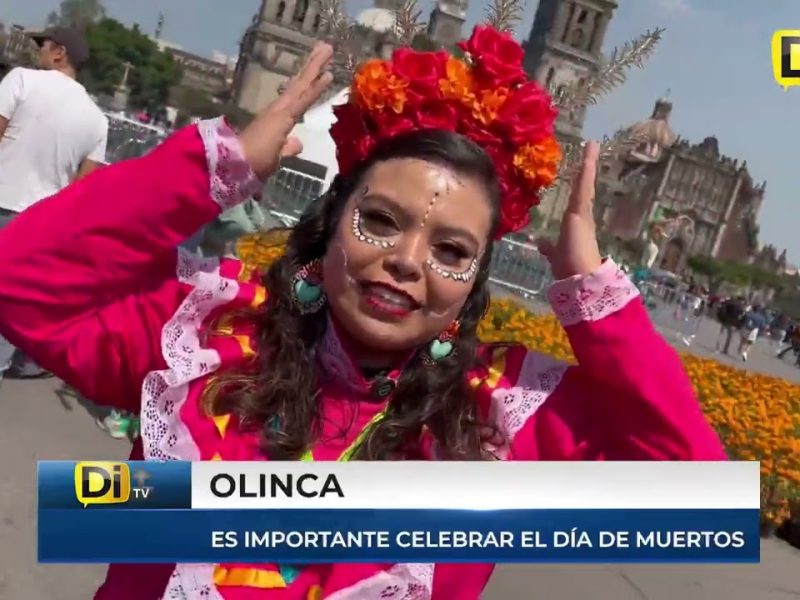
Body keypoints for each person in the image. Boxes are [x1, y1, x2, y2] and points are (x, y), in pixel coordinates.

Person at [0, 32, 725, 599]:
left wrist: (591, 292)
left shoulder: (501, 416)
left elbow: (698, 503)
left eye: (450, 249)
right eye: (380, 220)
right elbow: (19, 280)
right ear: (331, 219)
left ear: (474, 281)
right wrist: (212, 168)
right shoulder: (210, 333)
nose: (407, 261)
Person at [0, 26, 108, 380]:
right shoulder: (97, 120)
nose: (38, 52)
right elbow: (83, 192)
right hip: (37, 226)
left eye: (42, 46)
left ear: (59, 53)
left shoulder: (22, 80)